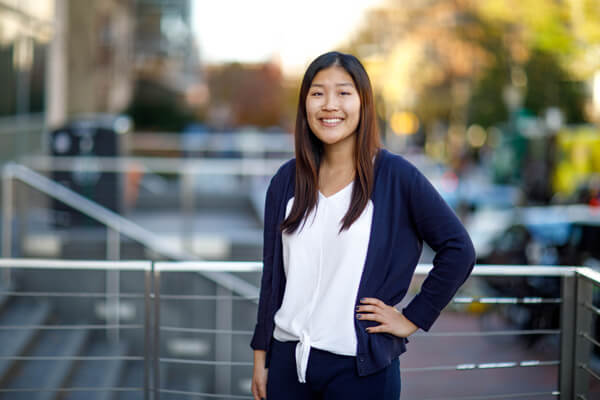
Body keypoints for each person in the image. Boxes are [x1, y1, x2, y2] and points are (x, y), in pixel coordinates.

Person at [250, 51, 476, 400]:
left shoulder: (395, 177)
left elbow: (458, 250)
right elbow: (272, 279)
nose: (329, 105)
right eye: (317, 93)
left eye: (343, 92)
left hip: (359, 372)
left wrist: (412, 317)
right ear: (305, 104)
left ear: (363, 103)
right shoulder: (286, 181)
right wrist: (260, 356)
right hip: (287, 366)